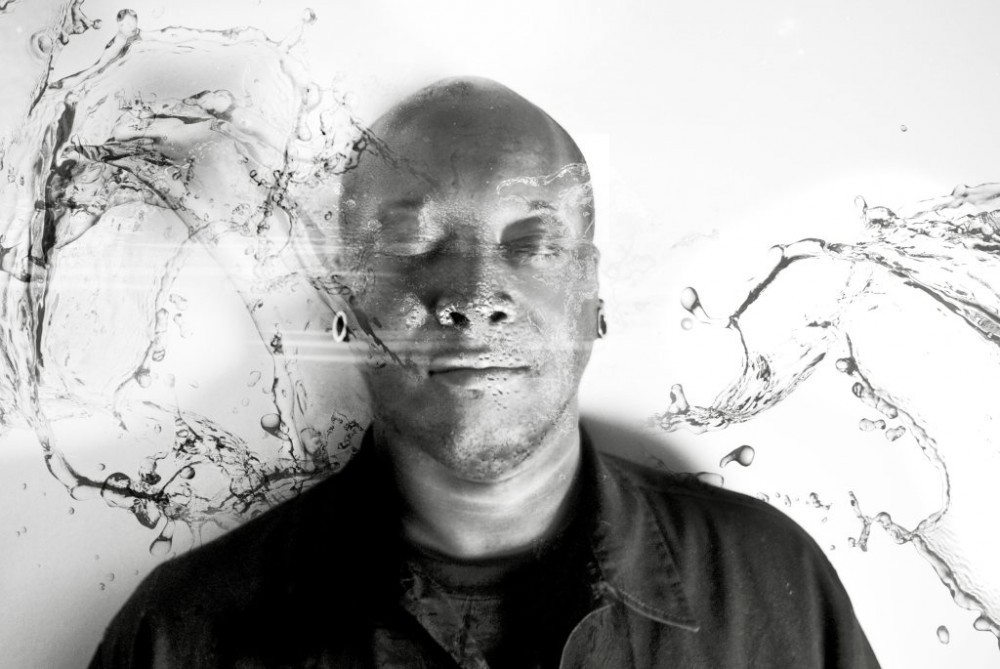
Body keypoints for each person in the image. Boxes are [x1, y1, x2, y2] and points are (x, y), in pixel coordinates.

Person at [88, 77, 881, 668]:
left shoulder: (772, 588)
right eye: (411, 242)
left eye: (531, 244)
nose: (473, 296)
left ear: (593, 302)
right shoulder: (180, 638)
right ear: (345, 307)